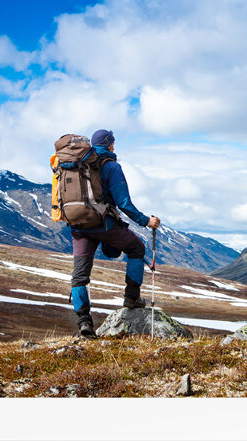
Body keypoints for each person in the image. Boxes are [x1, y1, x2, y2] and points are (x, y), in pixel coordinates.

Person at [69, 129, 160, 337]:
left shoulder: (77, 166)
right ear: (109, 144)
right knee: (136, 248)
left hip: (79, 227)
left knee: (80, 276)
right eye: (113, 143)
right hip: (105, 225)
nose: (114, 147)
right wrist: (146, 221)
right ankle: (132, 298)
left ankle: (84, 323)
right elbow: (124, 202)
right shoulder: (111, 166)